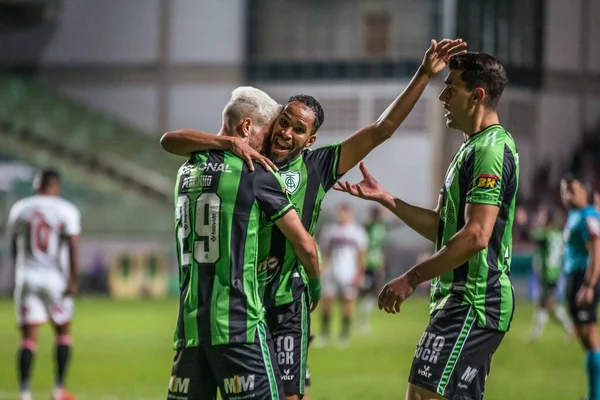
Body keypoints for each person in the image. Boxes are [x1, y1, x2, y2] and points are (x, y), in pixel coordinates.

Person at [160, 38, 467, 400]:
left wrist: (423, 74)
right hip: (246, 299)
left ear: (311, 139)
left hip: (287, 301)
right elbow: (172, 140)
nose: (286, 132)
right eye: (283, 122)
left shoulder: (317, 166)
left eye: (298, 129)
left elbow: (381, 129)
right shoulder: (244, 163)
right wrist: (226, 142)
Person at [335, 52, 517, 400]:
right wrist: (387, 199)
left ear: (477, 95)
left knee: (422, 394)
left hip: (475, 300)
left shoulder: (491, 149)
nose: (442, 97)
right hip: (459, 300)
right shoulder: (470, 148)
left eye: (451, 89)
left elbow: (477, 236)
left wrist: (412, 277)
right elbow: (441, 226)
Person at [166, 87, 320, 400]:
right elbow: (305, 244)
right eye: (268, 130)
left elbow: (169, 140)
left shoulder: (185, 170)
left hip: (190, 329)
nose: (272, 139)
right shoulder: (255, 172)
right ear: (247, 128)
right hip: (239, 324)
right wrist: (314, 286)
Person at [6, 169, 80, 400]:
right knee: (63, 330)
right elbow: (73, 245)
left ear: (37, 184)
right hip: (55, 279)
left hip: (26, 277)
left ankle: (25, 392)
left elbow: (14, 244)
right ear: (55, 186)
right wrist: (73, 279)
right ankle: (59, 388)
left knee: (28, 337)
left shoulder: (20, 208)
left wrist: (18, 272)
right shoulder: (66, 209)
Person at [560, 173, 600, 400]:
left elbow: (596, 251)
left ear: (585, 191)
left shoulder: (588, 215)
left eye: (572, 190)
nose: (567, 195)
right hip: (574, 278)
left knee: (591, 337)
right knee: (587, 339)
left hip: (583, 279)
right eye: (564, 190)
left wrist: (589, 284)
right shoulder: (575, 215)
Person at [316, 203, 367, 347]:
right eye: (340, 212)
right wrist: (322, 268)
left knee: (347, 303)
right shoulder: (330, 230)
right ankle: (324, 334)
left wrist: (359, 273)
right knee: (326, 302)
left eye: (345, 213)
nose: (342, 216)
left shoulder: (357, 231)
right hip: (332, 272)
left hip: (349, 272)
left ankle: (344, 335)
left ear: (350, 214)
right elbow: (324, 251)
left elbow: (362, 254)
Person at [529, 207, 574, 342]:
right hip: (554, 272)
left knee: (549, 305)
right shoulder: (558, 234)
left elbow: (533, 236)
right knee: (542, 304)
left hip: (548, 273)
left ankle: (571, 328)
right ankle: (535, 335)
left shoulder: (546, 234)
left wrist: (536, 223)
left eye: (543, 217)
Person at [358, 205, 390, 332]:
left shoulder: (381, 228)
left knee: (375, 291)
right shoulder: (368, 227)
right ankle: (362, 318)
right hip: (367, 264)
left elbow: (380, 247)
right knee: (367, 291)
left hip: (377, 263)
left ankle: (364, 316)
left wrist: (382, 264)